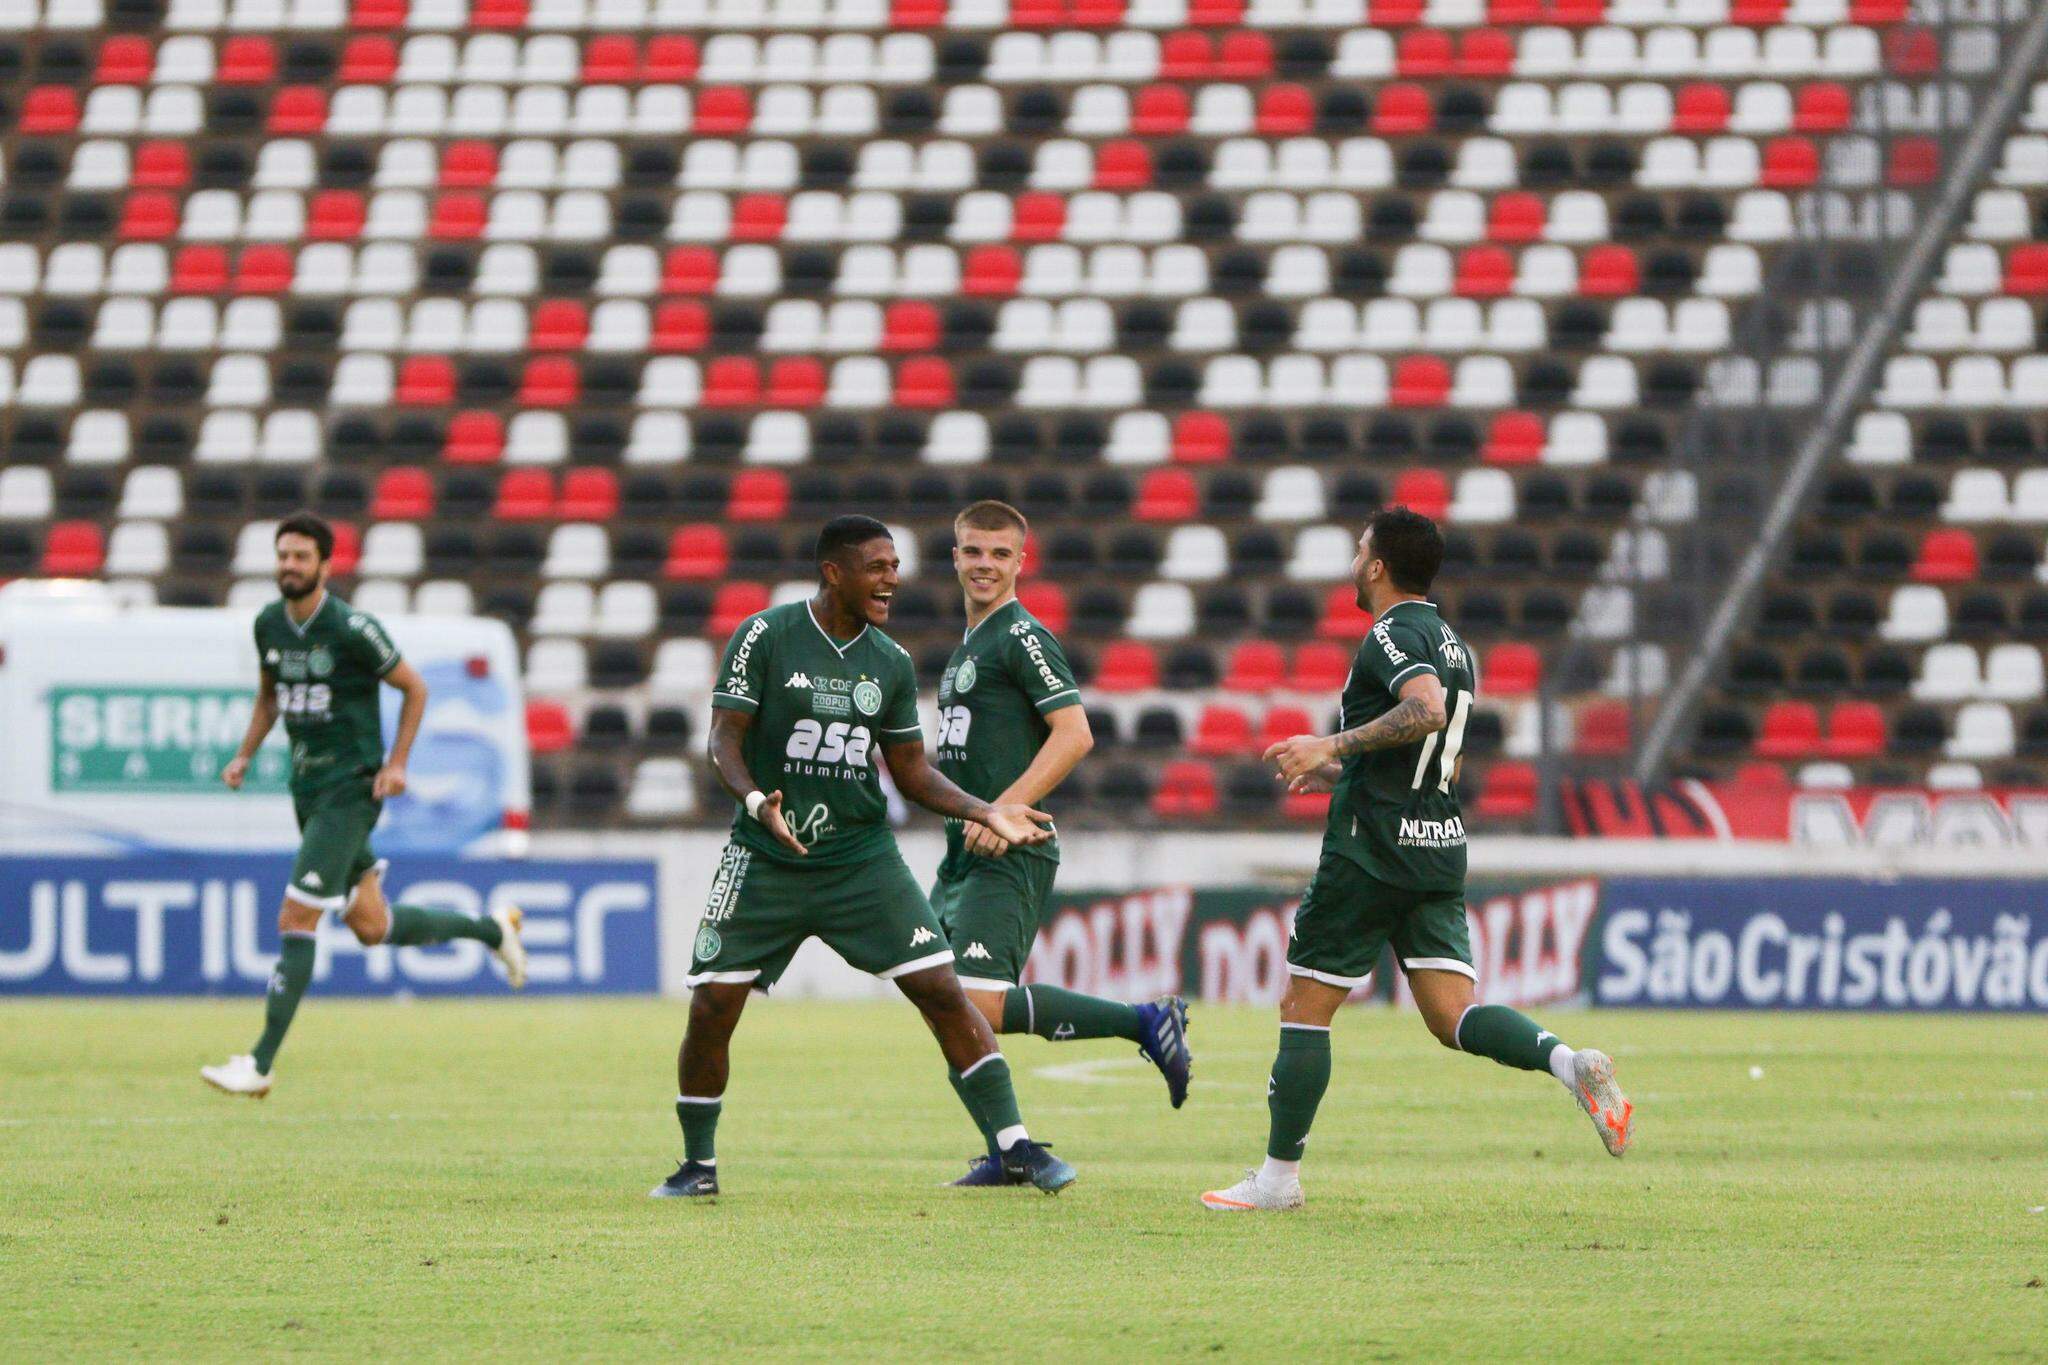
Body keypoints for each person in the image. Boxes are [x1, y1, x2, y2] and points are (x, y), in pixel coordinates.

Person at [1201, 507, 1633, 1212]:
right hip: (1435, 845)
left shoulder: (1391, 631)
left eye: (1358, 551)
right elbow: (1422, 755)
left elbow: (1425, 711)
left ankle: (1278, 1180)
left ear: (1376, 566)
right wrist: (1341, 774)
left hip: (1370, 851)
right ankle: (1568, 1061)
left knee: (1304, 1007)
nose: (1352, 562)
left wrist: (1329, 746)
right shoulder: (1456, 644)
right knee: (1451, 1014)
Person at [653, 515, 1076, 1200]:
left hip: (861, 859)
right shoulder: (765, 634)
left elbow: (911, 773)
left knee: (944, 990)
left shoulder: (890, 662)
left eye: (895, 566)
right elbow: (723, 740)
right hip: (765, 853)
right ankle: (697, 1166)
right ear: (834, 573)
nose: (892, 579)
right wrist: (759, 800)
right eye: (878, 567)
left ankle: (1016, 1146)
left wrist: (983, 808)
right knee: (712, 1006)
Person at [201, 513, 526, 1099]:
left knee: (296, 917)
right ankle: (492, 930)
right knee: (374, 926)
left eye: (301, 557)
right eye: (283, 556)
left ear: (326, 566)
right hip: (307, 790)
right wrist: (244, 754)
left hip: (350, 790)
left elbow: (416, 687)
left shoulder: (353, 628)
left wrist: (396, 763)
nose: (289, 566)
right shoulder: (269, 625)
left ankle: (260, 1062)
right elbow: (269, 698)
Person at [929, 500, 1192, 1188]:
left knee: (975, 1003)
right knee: (946, 1004)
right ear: (953, 556)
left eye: (998, 553)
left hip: (1009, 848)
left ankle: (1145, 1021)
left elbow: (1074, 732)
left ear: (1022, 560)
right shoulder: (969, 646)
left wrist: (1002, 809)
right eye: (972, 551)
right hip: (962, 853)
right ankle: (1007, 1148)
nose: (984, 564)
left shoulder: (1022, 637)